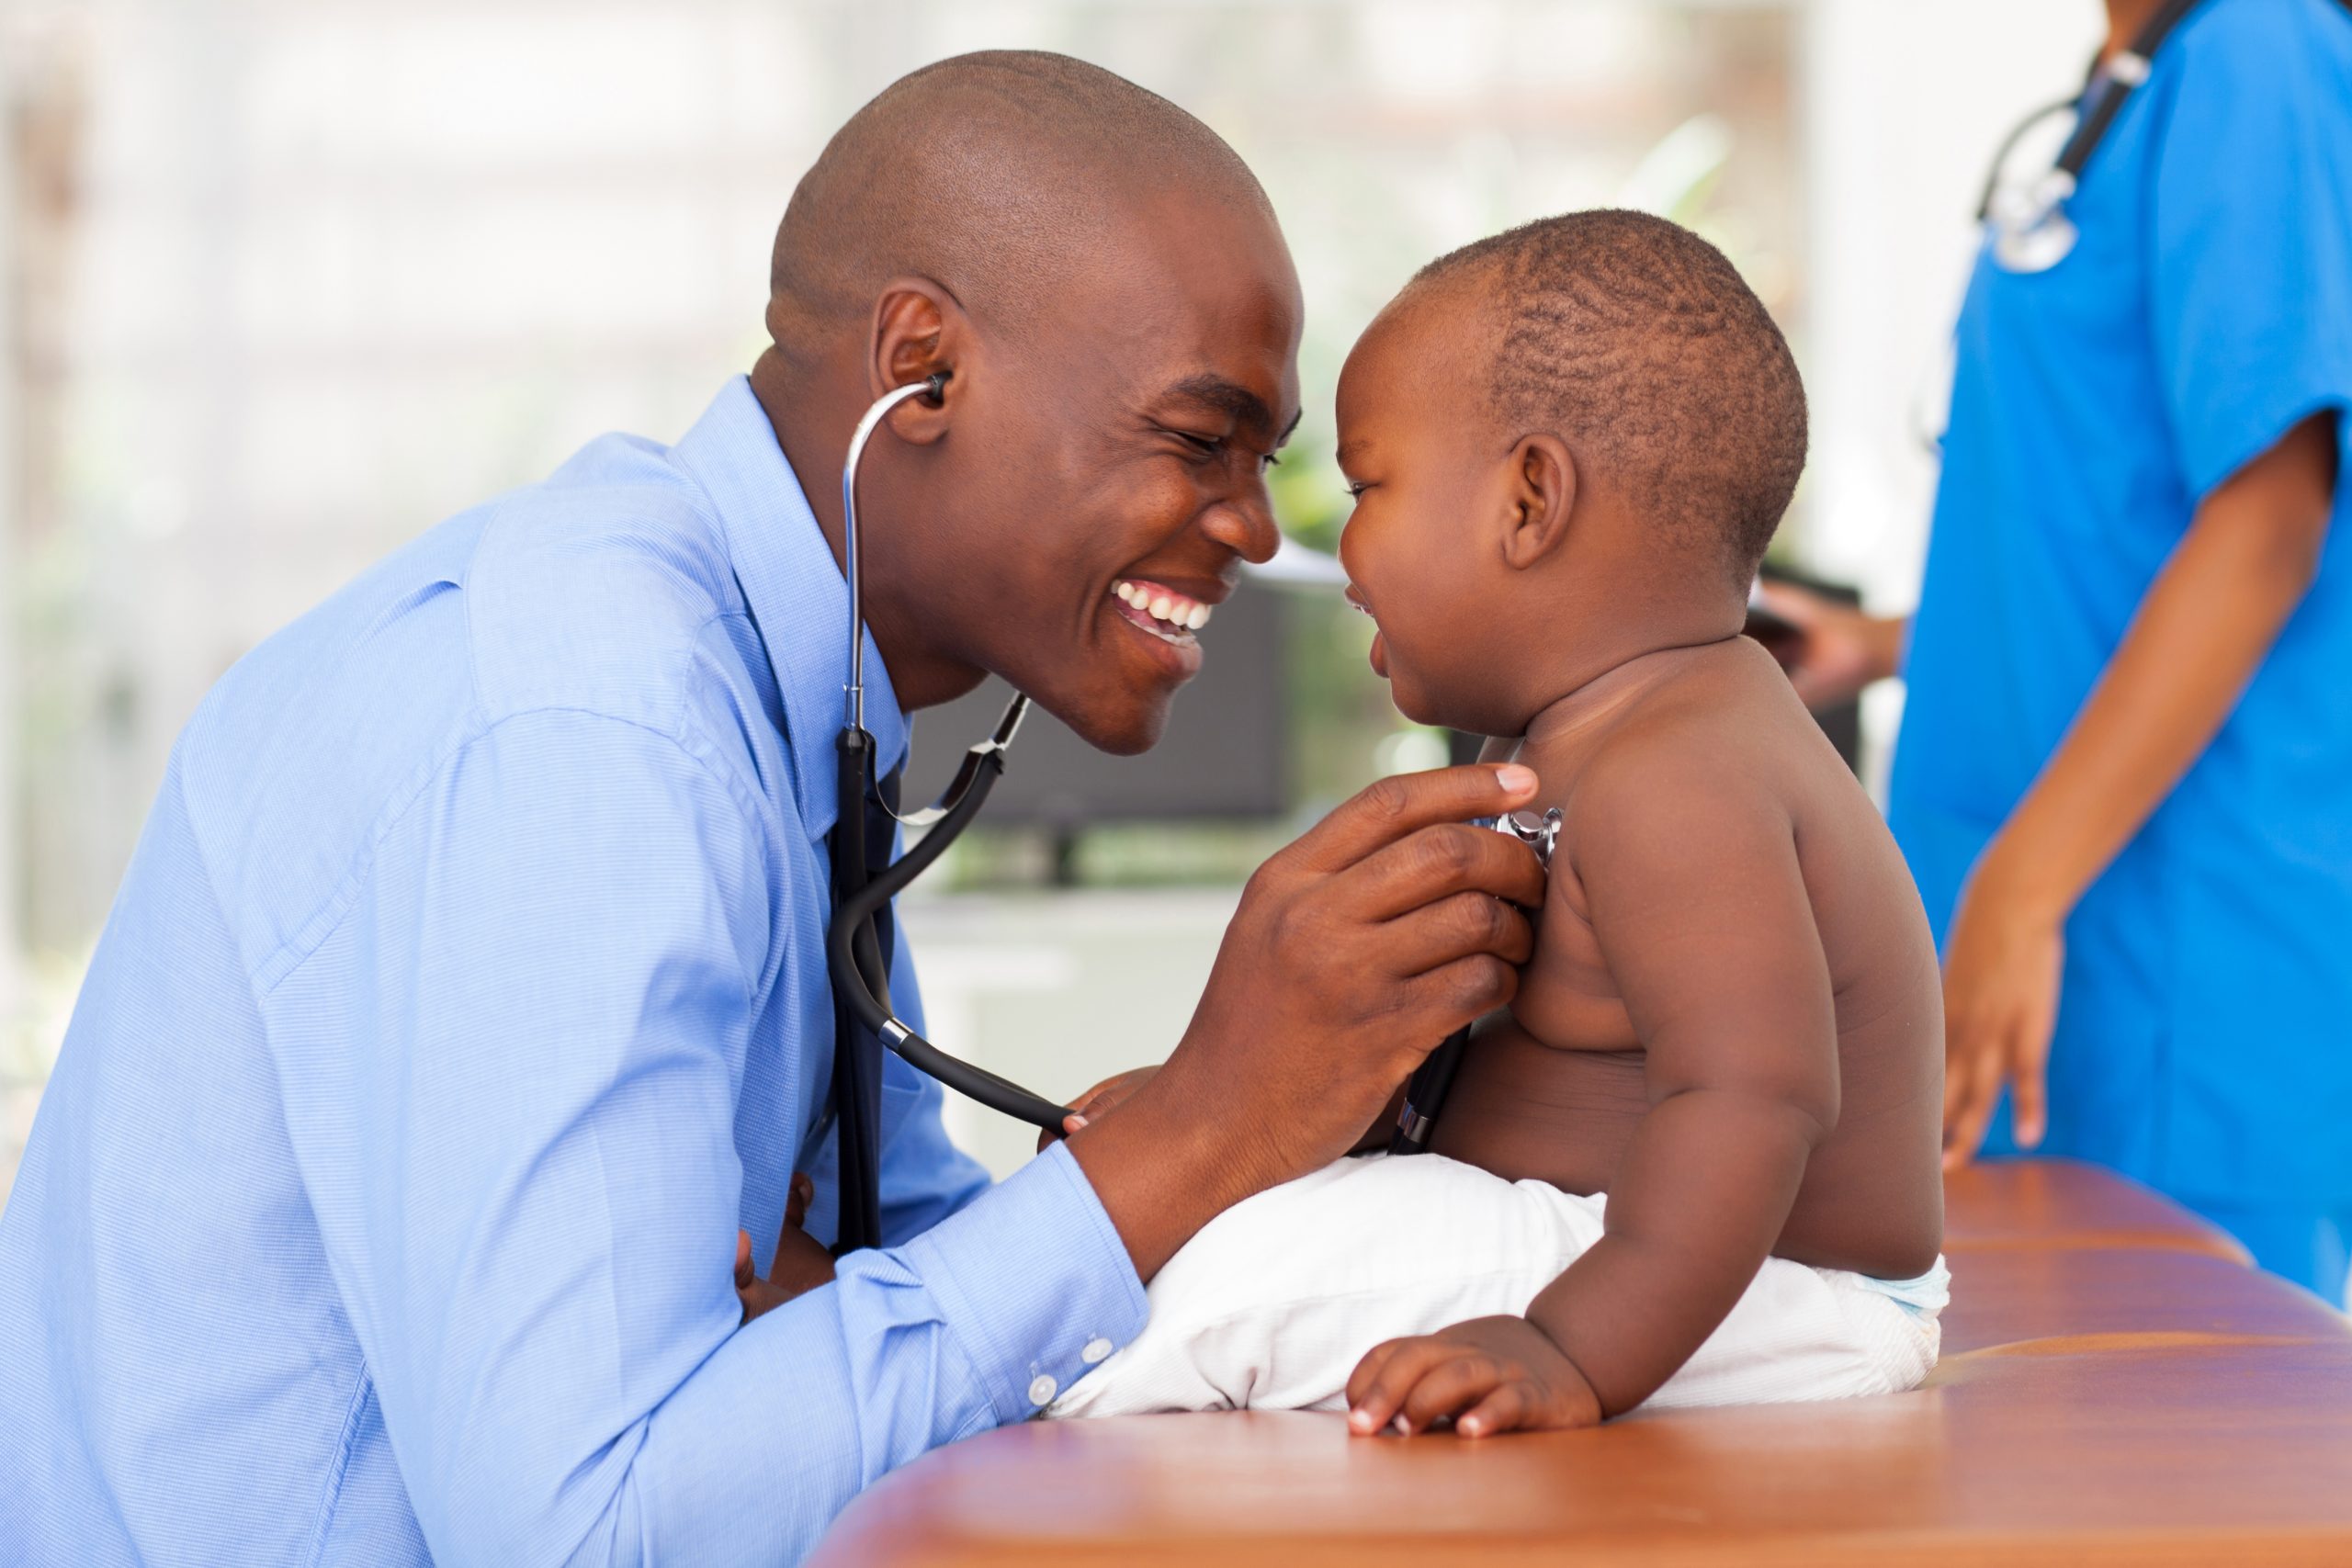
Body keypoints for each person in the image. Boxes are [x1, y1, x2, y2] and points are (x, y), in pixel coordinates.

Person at [0, 53, 1549, 1564]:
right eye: (1198, 438)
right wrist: (1198, 1135)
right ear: (921, 370)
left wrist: (1208, 1146)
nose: (1247, 525)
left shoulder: (797, 717)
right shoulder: (591, 735)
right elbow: (595, 1527)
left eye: (1263, 461)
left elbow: (888, 1297)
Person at [1046, 212, 1948, 1433]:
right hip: (1630, 1250)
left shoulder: (1681, 778)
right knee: (1187, 1229)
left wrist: (1566, 1347)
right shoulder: (1564, 744)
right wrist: (1210, 1131)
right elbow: (1459, 1058)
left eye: (1368, 485)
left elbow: (1753, 1102)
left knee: (1208, 1296)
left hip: (1753, 1286)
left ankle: (935, 1400)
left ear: (1529, 499)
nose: (1339, 548)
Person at [1763, 0, 2352, 1303]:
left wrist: (2022, 892)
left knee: (2193, 1455)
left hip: (2170, 945)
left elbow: (2269, 519)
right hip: (2044, 922)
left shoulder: (2255, 50)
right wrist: (1889, 644)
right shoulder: (2132, 83)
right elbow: (2111, 524)